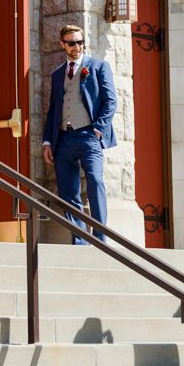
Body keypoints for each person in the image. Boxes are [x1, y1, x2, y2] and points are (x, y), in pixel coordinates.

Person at [42, 24, 117, 244]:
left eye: (81, 42)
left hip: (89, 136)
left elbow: (110, 101)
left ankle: (100, 239)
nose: (77, 47)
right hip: (63, 138)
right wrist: (47, 141)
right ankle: (80, 240)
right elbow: (54, 109)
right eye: (72, 43)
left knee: (95, 182)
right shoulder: (57, 74)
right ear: (62, 45)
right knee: (68, 192)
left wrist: (98, 129)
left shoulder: (98, 66)